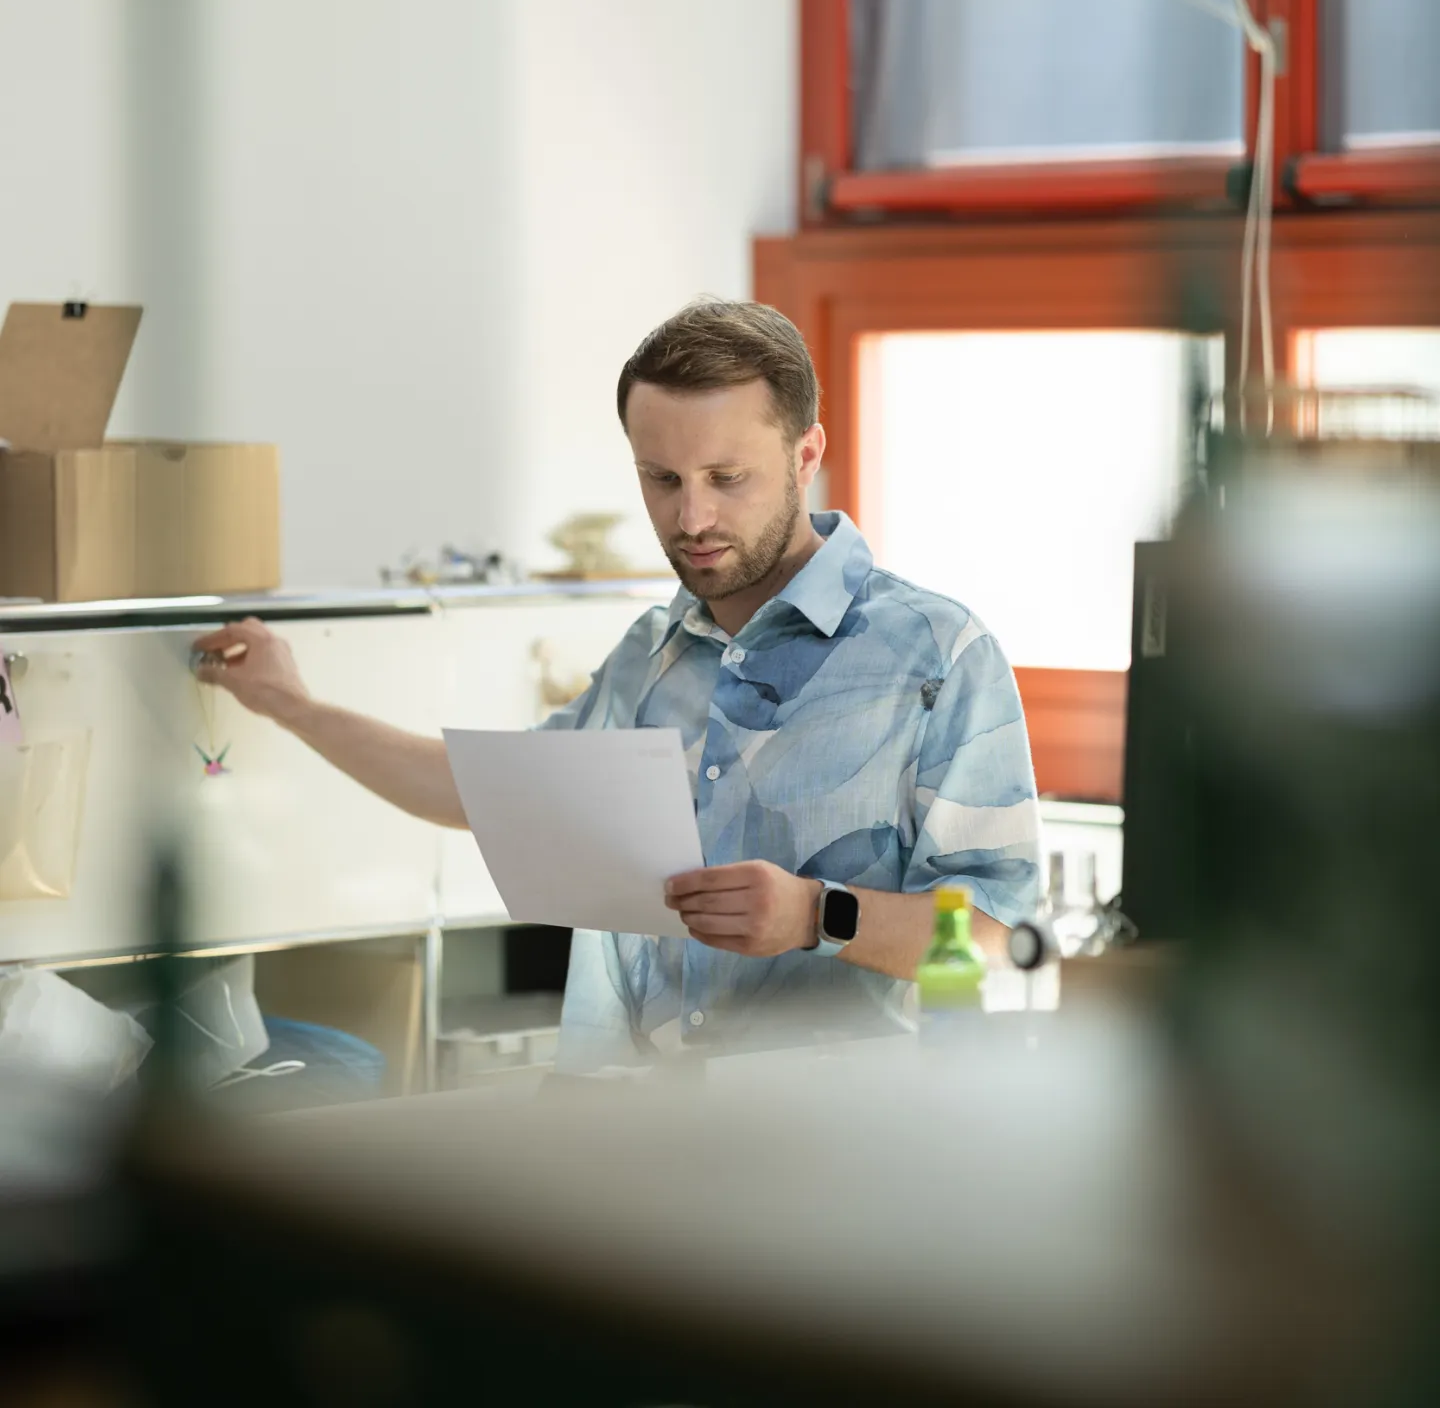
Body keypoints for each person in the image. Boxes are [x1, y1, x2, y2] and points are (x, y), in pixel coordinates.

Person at [196, 300, 1040, 1071]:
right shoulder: (653, 650)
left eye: (727, 478)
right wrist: (292, 706)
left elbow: (1004, 934)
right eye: (661, 480)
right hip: (625, 1139)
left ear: (806, 453)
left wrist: (818, 914)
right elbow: (482, 792)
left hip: (829, 1159)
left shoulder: (939, 656)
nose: (692, 519)